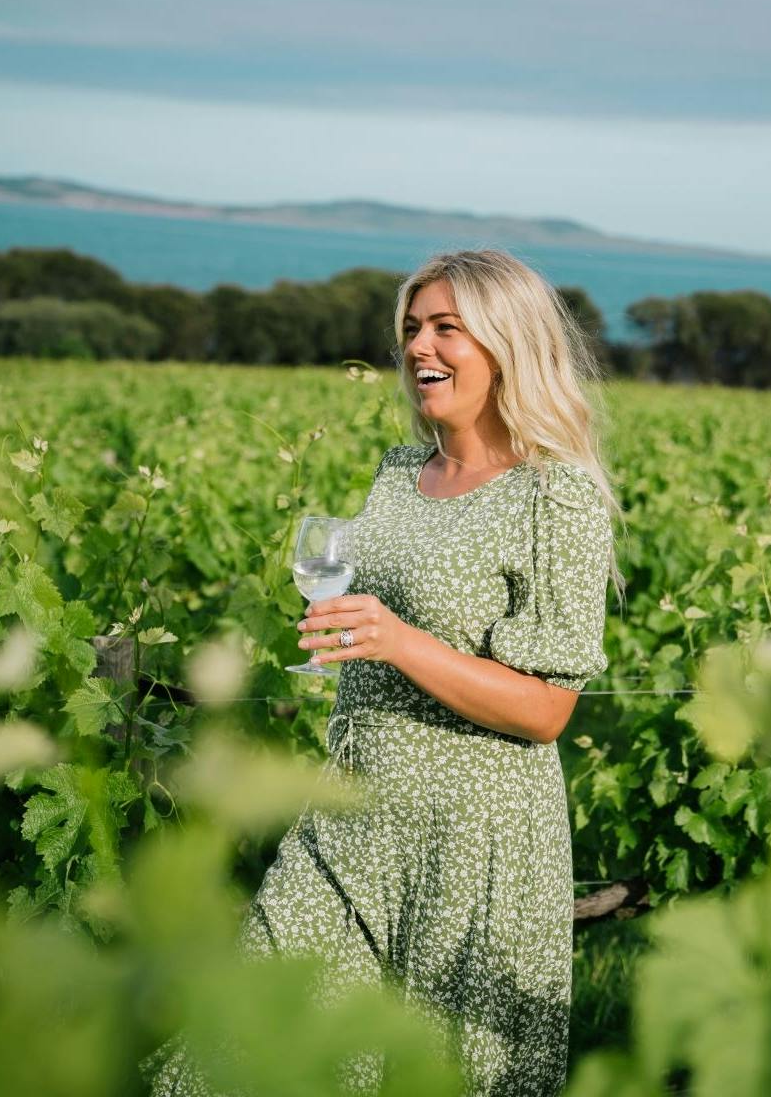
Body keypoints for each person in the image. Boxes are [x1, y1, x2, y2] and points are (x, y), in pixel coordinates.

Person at [148, 249, 616, 1096]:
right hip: (351, 812)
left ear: (508, 343)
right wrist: (354, 635)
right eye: (410, 329)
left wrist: (400, 642)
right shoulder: (401, 475)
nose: (418, 347)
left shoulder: (559, 498)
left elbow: (548, 710)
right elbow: (380, 623)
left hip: (476, 841)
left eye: (445, 327)